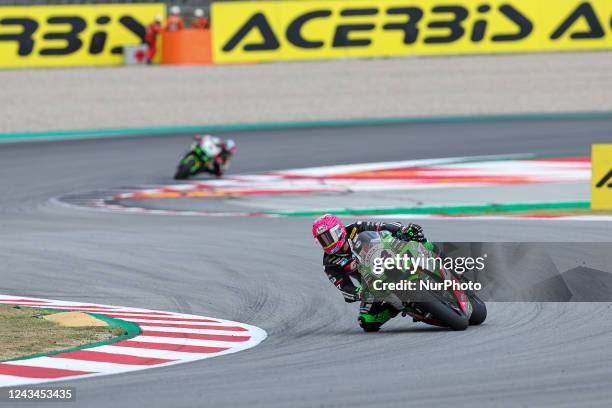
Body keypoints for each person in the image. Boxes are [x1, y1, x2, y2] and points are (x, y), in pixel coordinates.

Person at [312, 214, 427, 332]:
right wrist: (359, 293)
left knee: (415, 235)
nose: (327, 243)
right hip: (373, 284)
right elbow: (344, 288)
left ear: (337, 230)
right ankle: (400, 307)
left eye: (328, 237)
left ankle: (436, 258)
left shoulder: (356, 228)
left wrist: (402, 231)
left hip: (389, 256)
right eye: (322, 240)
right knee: (367, 320)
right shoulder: (329, 262)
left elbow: (383, 226)